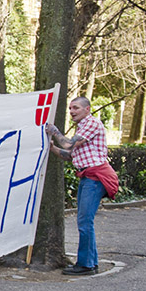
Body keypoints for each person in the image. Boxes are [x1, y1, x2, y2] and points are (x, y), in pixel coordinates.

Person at [45, 96, 119, 275]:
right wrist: (52, 148)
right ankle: (90, 263)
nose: (72, 111)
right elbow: (70, 154)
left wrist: (54, 131)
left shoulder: (91, 123)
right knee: (85, 221)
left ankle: (85, 265)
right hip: (88, 177)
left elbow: (68, 144)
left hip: (96, 177)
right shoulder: (83, 127)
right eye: (70, 108)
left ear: (87, 109)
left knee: (85, 221)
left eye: (76, 108)